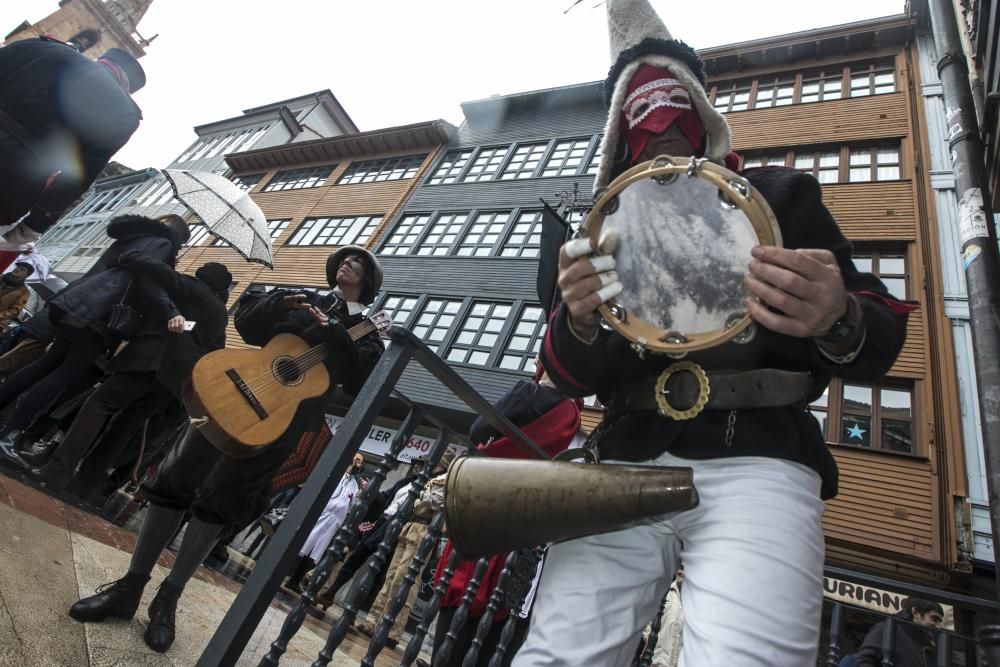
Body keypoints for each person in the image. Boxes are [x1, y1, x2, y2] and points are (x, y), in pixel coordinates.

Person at [515, 1, 914, 665]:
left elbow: (878, 331)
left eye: (673, 110)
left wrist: (837, 313)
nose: (660, 134)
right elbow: (563, 372)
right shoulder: (602, 233)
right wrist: (578, 318)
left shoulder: (782, 197)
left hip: (761, 457)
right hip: (625, 452)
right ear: (618, 135)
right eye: (640, 118)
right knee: (558, 654)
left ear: (702, 111)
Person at [67, 245, 384, 654]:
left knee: (224, 501)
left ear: (369, 281)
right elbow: (248, 326)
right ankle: (130, 586)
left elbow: (361, 382)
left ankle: (169, 599)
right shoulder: (304, 298)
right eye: (343, 258)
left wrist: (335, 333)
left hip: (281, 422)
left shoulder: (367, 332)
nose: (346, 263)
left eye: (357, 262)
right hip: (233, 393)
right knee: (174, 479)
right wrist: (274, 304)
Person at [23, 256, 232, 494]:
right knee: (125, 426)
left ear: (202, 275)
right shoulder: (221, 315)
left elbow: (150, 265)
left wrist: (129, 257)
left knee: (99, 404)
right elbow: (216, 352)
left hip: (149, 360)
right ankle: (85, 484)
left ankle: (58, 470)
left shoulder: (188, 286)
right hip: (174, 382)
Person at [427, 365, 580, 667]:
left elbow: (478, 431)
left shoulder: (529, 392)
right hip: (521, 516)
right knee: (489, 618)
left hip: (488, 500)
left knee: (457, 594)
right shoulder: (573, 414)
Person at [0, 214, 189, 452]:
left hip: (81, 302)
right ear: (178, 237)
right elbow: (144, 276)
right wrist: (170, 310)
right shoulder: (163, 243)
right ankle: (10, 432)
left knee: (46, 364)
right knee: (66, 373)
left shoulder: (132, 235)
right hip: (102, 314)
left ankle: (8, 423)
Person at [0, 37, 144, 244]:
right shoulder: (126, 115)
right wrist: (36, 223)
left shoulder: (44, 48)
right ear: (129, 87)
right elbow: (76, 177)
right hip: (11, 181)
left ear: (102, 59)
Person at [356, 449, 457, 649]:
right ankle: (374, 620)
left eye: (434, 461)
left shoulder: (447, 480)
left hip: (424, 530)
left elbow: (434, 502)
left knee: (405, 580)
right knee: (392, 576)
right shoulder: (428, 479)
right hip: (411, 525)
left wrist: (421, 499)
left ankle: (392, 628)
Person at [284, 452, 366, 593]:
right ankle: (283, 574)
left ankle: (295, 581)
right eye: (357, 460)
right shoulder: (336, 475)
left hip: (333, 522)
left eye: (361, 462)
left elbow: (350, 507)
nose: (358, 463)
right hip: (320, 515)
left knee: (315, 553)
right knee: (302, 545)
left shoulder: (354, 485)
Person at [854, 598, 944, 667]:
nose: (938, 626)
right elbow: (864, 660)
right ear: (916, 613)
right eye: (934, 619)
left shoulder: (927, 645)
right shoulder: (887, 629)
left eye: (939, 621)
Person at [650, 567, 684, 667]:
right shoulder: (665, 591)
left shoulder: (692, 604)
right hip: (655, 661)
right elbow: (647, 618)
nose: (680, 571)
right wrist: (648, 639)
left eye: (685, 569)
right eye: (680, 568)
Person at [0, 262, 33, 328]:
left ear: (26, 275)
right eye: (17, 267)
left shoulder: (24, 292)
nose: (17, 269)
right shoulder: (1, 278)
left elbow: (14, 311)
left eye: (22, 269)